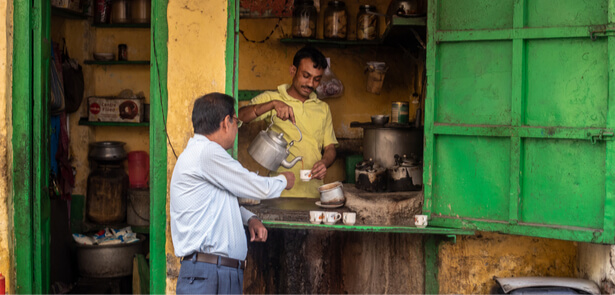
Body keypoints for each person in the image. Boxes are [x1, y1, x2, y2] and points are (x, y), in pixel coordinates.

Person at [170, 92, 295, 294]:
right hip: (209, 273)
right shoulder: (208, 153)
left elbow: (221, 202)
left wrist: (250, 218)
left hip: (216, 272)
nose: (236, 128)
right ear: (226, 122)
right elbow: (253, 185)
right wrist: (284, 181)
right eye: (236, 121)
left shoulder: (203, 154)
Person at [238, 46, 338, 198]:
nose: (310, 84)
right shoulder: (272, 98)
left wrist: (324, 162)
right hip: (279, 192)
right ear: (293, 71)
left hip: (314, 193)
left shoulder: (323, 108)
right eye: (306, 76)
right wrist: (272, 104)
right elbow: (239, 117)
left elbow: (330, 147)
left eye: (317, 79)